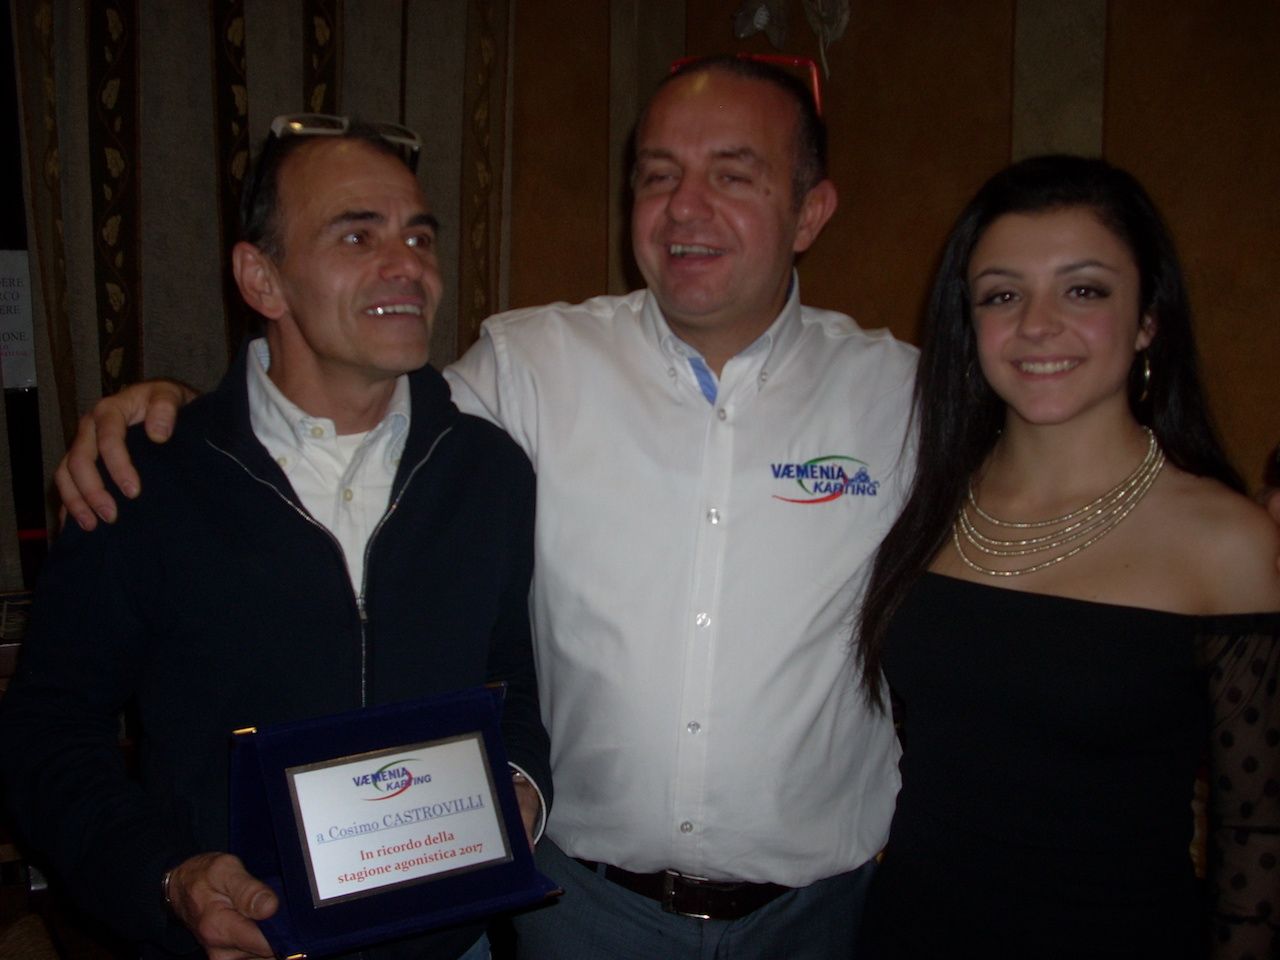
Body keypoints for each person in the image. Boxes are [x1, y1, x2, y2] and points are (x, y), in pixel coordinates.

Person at [50, 57, 918, 958]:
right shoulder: (528, 367)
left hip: (815, 914)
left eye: (732, 176)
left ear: (811, 212)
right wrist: (174, 413)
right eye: (659, 175)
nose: (684, 208)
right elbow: (343, 405)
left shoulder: (905, 397)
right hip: (586, 911)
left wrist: (518, 778)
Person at [0, 119, 551, 960]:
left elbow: (516, 680)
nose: (407, 265)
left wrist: (518, 788)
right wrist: (165, 876)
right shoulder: (144, 480)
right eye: (357, 235)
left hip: (449, 944)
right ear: (261, 278)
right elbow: (49, 731)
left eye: (419, 236)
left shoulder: (489, 472)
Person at [854, 155, 1280, 958]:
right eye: (1002, 295)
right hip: (907, 932)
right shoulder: (926, 501)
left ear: (1148, 318)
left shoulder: (1229, 542)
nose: (1037, 324)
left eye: (1083, 290)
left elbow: (1257, 830)